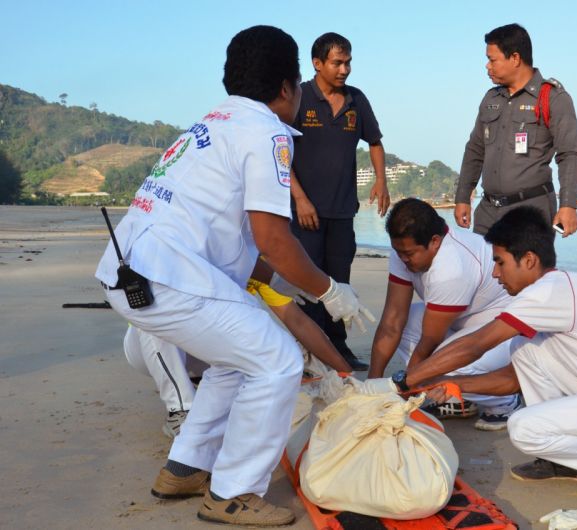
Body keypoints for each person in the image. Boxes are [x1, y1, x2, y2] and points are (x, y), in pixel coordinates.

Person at [95, 26, 373, 527]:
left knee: (236, 360)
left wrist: (293, 285)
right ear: (289, 86)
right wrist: (329, 289)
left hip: (130, 274)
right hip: (171, 279)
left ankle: (186, 467)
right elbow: (273, 237)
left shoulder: (212, 122)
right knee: (279, 362)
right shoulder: (266, 132)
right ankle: (233, 492)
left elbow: (250, 245)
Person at [401, 206, 577, 507]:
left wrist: (405, 380)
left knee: (523, 428)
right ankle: (566, 463)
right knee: (524, 351)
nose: (495, 273)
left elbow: (476, 344)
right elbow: (513, 379)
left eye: (499, 262)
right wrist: (452, 383)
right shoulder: (553, 292)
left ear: (528, 260)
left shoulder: (548, 292)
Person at [123, 276, 354, 439]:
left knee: (280, 343)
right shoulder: (190, 253)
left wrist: (346, 374)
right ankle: (180, 409)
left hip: (208, 351)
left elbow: (298, 321)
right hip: (151, 349)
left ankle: (204, 386)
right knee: (155, 315)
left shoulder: (254, 263)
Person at [369, 198, 520, 430]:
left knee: (446, 366)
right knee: (407, 321)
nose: (403, 259)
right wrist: (373, 385)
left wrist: (406, 387)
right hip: (463, 322)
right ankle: (459, 400)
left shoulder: (451, 267)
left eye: (409, 253)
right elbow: (392, 322)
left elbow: (429, 341)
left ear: (435, 242)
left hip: (507, 330)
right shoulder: (404, 250)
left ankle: (505, 403)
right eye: (399, 252)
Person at [290, 32, 389, 372]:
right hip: (303, 214)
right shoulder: (299, 97)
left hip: (343, 211)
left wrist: (381, 180)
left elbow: (375, 142)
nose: (344, 69)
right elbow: (278, 151)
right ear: (317, 64)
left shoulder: (356, 100)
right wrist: (300, 198)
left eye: (347, 62)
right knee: (308, 283)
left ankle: (338, 349)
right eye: (337, 63)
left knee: (340, 282)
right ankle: (305, 354)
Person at [455, 23, 577, 236]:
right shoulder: (491, 99)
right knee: (486, 270)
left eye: (492, 59)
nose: (487, 66)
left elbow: (568, 154)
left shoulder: (553, 98)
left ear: (515, 58)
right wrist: (462, 197)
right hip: (487, 212)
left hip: (531, 212)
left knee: (527, 269)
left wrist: (568, 206)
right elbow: (475, 150)